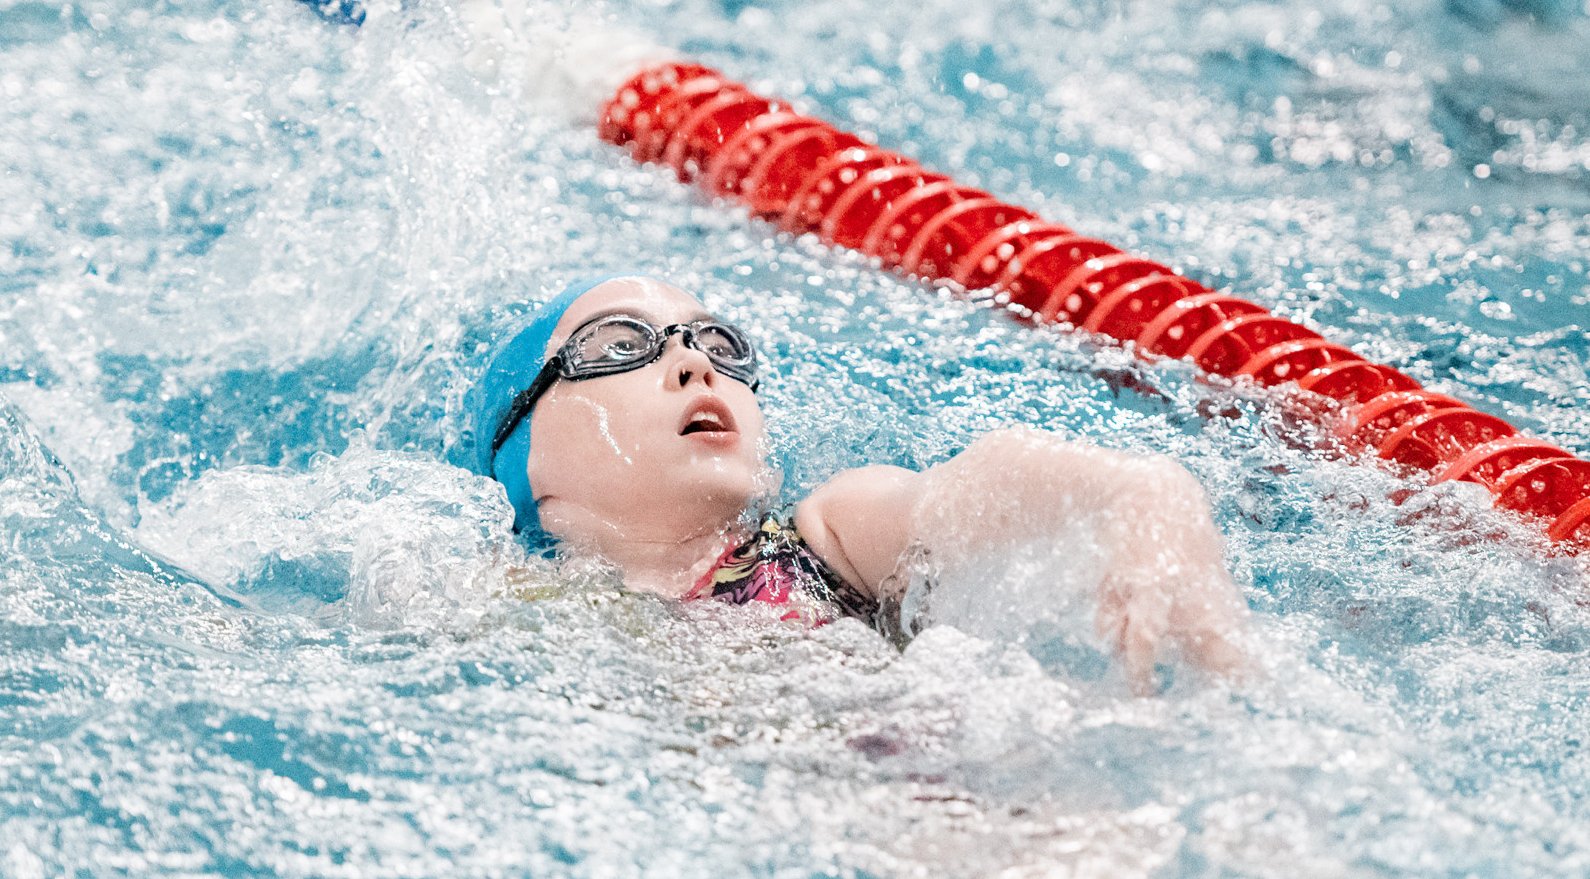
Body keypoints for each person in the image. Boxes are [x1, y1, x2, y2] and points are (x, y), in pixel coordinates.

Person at [466, 274, 1246, 690]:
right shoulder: (499, 611)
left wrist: (1139, 492)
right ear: (526, 457)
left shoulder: (822, 543)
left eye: (717, 342)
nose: (694, 361)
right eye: (619, 344)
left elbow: (978, 486)